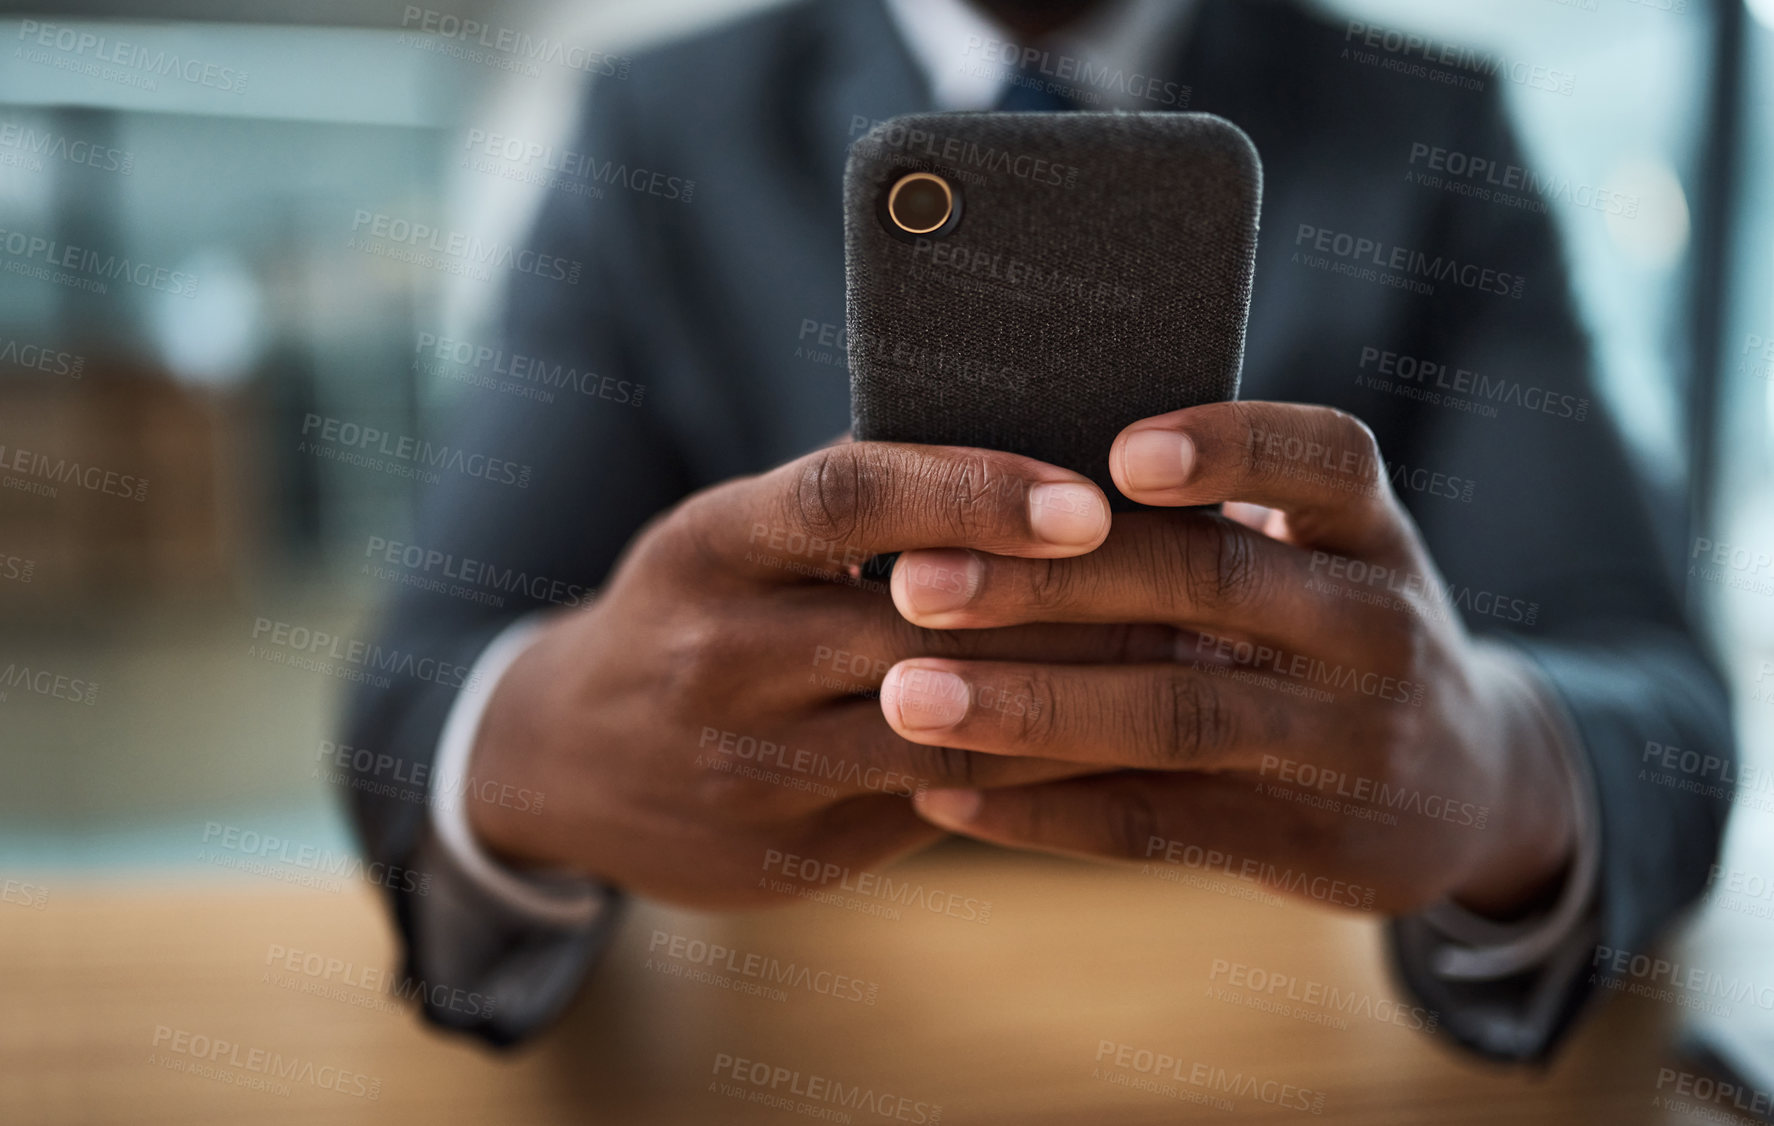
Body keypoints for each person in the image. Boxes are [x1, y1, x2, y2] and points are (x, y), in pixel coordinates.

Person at [342, 0, 1733, 1062]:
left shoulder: (1429, 127)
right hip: (781, 1022)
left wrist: (1489, 768)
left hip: (1271, 1029)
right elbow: (417, 691)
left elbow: (1657, 702)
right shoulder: (657, 127)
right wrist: (534, 748)